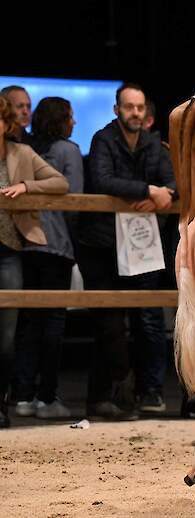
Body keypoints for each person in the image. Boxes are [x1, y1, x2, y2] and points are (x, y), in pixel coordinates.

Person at [76, 83, 176, 420]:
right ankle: (111, 395)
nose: (135, 113)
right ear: (117, 109)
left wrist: (165, 195)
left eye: (139, 107)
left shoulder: (152, 142)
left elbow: (173, 181)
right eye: (128, 107)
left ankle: (142, 393)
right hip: (101, 245)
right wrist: (148, 190)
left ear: (146, 112)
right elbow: (102, 180)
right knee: (110, 324)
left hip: (141, 246)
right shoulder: (103, 139)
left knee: (146, 321)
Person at [11, 97, 84, 420]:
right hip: (55, 246)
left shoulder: (28, 148)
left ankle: (22, 396)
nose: (75, 122)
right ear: (62, 119)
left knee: (28, 323)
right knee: (53, 323)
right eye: (71, 116)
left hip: (27, 242)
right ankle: (46, 397)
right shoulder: (68, 150)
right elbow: (75, 200)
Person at [0, 94, 69, 428]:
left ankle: (2, 403)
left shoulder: (21, 152)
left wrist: (27, 185)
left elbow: (62, 183)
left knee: (8, 334)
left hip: (10, 251)